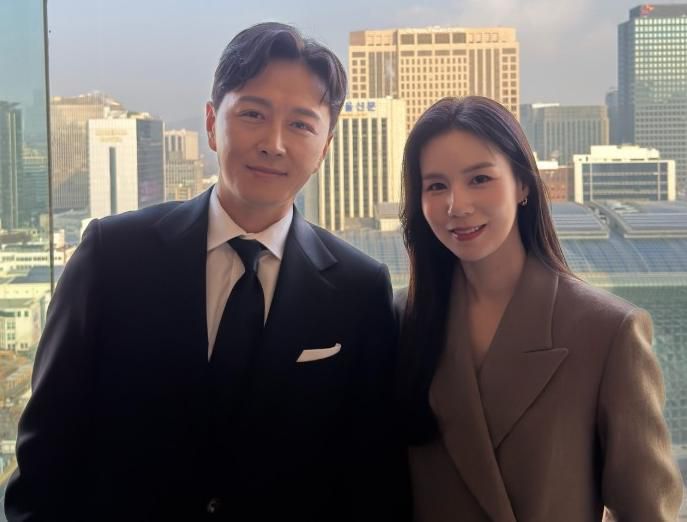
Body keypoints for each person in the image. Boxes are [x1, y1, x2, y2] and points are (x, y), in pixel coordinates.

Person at [5, 22, 409, 522]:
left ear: (325, 146)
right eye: (253, 114)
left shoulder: (359, 289)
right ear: (213, 123)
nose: (274, 143)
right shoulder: (112, 256)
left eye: (301, 125)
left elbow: (370, 477)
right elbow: (46, 450)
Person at [395, 96, 683, 521]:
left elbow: (646, 511)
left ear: (523, 185)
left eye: (479, 179)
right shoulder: (401, 318)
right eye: (436, 186)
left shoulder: (606, 331)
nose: (457, 205)